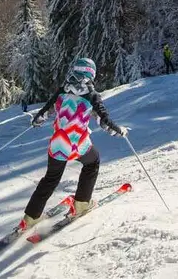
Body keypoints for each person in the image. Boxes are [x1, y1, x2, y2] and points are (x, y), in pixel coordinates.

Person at [19, 58, 128, 230]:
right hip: (77, 144)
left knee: (51, 178)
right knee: (93, 162)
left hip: (57, 143)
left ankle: (31, 216)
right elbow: (104, 120)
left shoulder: (63, 90)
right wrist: (118, 130)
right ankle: (82, 203)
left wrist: (37, 120)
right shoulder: (92, 95)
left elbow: (46, 110)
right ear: (91, 74)